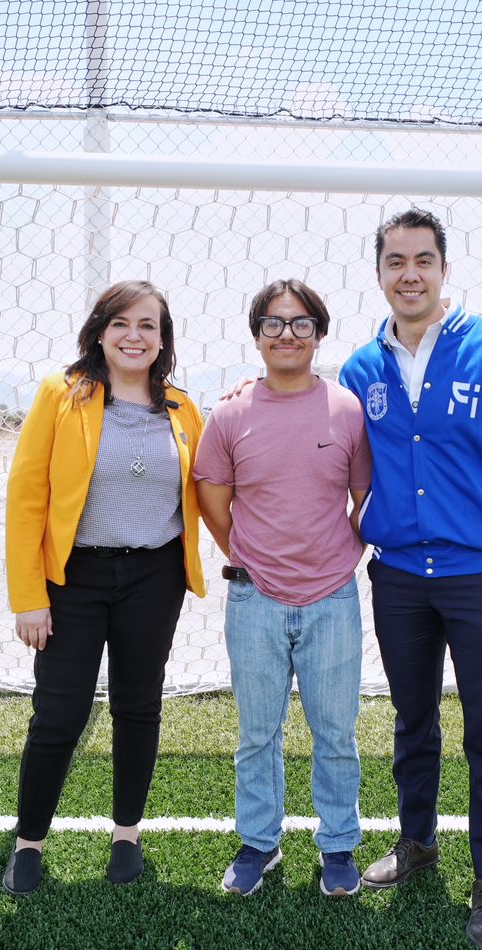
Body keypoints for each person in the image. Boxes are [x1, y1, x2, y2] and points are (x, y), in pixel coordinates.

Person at [338, 208, 482, 950]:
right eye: (395, 262)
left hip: (478, 575)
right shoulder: (359, 369)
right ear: (378, 274)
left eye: (423, 260)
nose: (409, 274)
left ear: (444, 269)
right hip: (399, 578)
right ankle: (417, 843)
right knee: (413, 722)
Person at [2, 280, 206, 895]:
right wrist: (29, 596)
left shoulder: (182, 408)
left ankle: (126, 835)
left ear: (163, 339)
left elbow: (210, 483)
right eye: (121, 323)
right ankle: (29, 843)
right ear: (99, 331)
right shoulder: (61, 396)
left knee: (138, 707)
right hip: (74, 579)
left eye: (148, 325)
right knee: (59, 713)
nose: (134, 336)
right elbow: (26, 497)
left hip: (154, 576)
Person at [194, 280, 373, 898]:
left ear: (319, 334)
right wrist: (251, 557)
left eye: (300, 324)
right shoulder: (231, 414)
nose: (287, 335)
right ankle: (259, 845)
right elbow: (213, 502)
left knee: (336, 732)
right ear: (256, 336)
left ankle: (339, 846)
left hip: (332, 600)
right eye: (273, 324)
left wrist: (332, 552)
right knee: (257, 734)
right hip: (254, 601)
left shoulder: (348, 410)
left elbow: (362, 499)